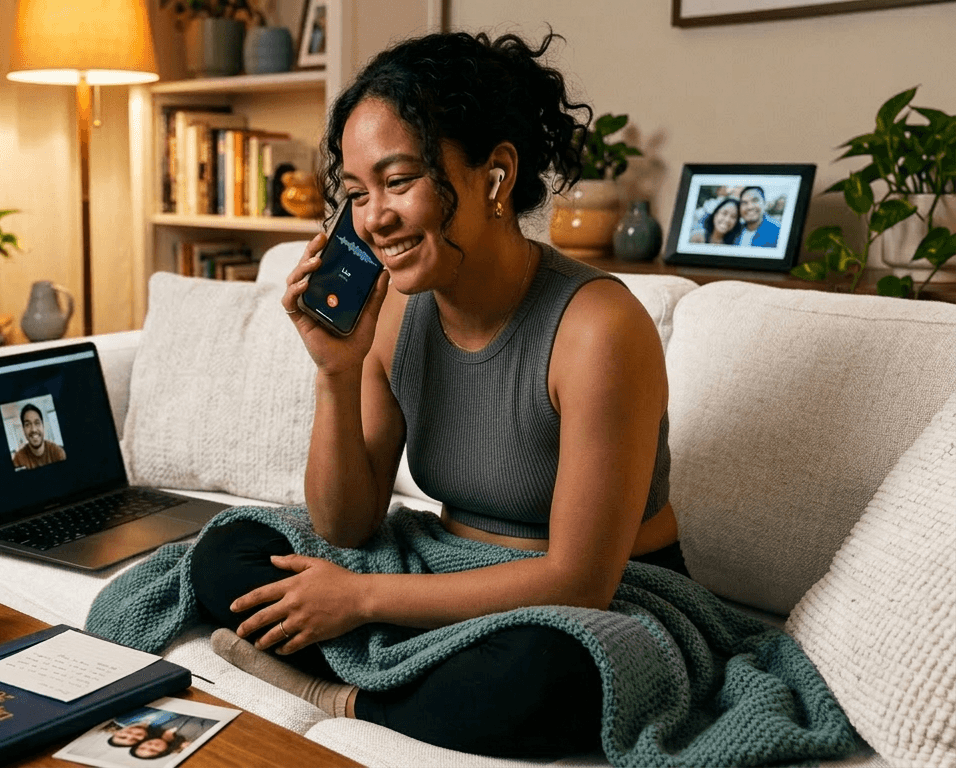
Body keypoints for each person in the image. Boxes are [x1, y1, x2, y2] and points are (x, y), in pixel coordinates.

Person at [185, 30, 682, 759]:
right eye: (355, 193)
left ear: (495, 174)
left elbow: (579, 583)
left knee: (548, 674)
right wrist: (335, 372)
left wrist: (358, 601)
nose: (374, 218)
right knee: (226, 554)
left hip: (602, 599)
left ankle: (347, 694)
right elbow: (345, 527)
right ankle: (410, 690)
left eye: (399, 179)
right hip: (444, 563)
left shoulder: (599, 328)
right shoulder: (394, 310)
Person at [11, 403, 66, 469]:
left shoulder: (57, 453)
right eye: (27, 424)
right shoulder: (18, 460)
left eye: (37, 423)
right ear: (23, 430)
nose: (33, 429)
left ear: (43, 426)